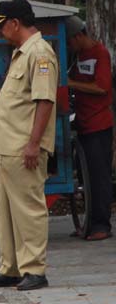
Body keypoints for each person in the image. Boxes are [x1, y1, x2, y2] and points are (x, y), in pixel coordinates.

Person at [0, 0, 57, 291]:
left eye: (2, 26)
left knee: (28, 209)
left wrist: (34, 144)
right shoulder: (21, 53)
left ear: (14, 23)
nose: (0, 32)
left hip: (23, 147)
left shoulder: (39, 53)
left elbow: (45, 100)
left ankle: (34, 269)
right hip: (6, 146)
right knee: (6, 210)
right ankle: (10, 267)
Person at [65, 15, 113, 241]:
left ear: (78, 36)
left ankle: (102, 224)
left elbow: (102, 87)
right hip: (82, 122)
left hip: (98, 123)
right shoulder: (77, 57)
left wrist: (71, 84)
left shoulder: (100, 54)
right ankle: (89, 222)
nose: (68, 46)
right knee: (85, 178)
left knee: (99, 176)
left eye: (69, 41)